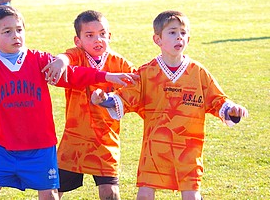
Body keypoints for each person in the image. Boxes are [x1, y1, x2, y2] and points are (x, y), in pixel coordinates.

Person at [0, 6, 138, 199]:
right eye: (7, 32)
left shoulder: (39, 60)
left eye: (19, 30)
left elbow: (72, 75)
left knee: (49, 195)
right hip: (4, 148)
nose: (16, 36)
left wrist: (107, 76)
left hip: (42, 148)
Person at [91, 10, 249, 200]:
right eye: (172, 32)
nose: (179, 37)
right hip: (155, 147)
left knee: (191, 195)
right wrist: (104, 99)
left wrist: (232, 109)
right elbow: (126, 97)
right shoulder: (146, 72)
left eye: (183, 33)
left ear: (188, 39)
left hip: (188, 149)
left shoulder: (198, 73)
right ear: (157, 39)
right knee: (145, 193)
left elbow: (217, 100)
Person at [43, 10, 137, 200]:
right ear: (78, 41)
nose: (98, 39)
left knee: (110, 192)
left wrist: (109, 99)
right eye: (89, 35)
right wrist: (61, 61)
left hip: (105, 141)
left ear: (109, 36)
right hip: (74, 140)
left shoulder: (120, 64)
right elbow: (65, 57)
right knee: (53, 192)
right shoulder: (77, 56)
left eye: (102, 34)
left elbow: (136, 87)